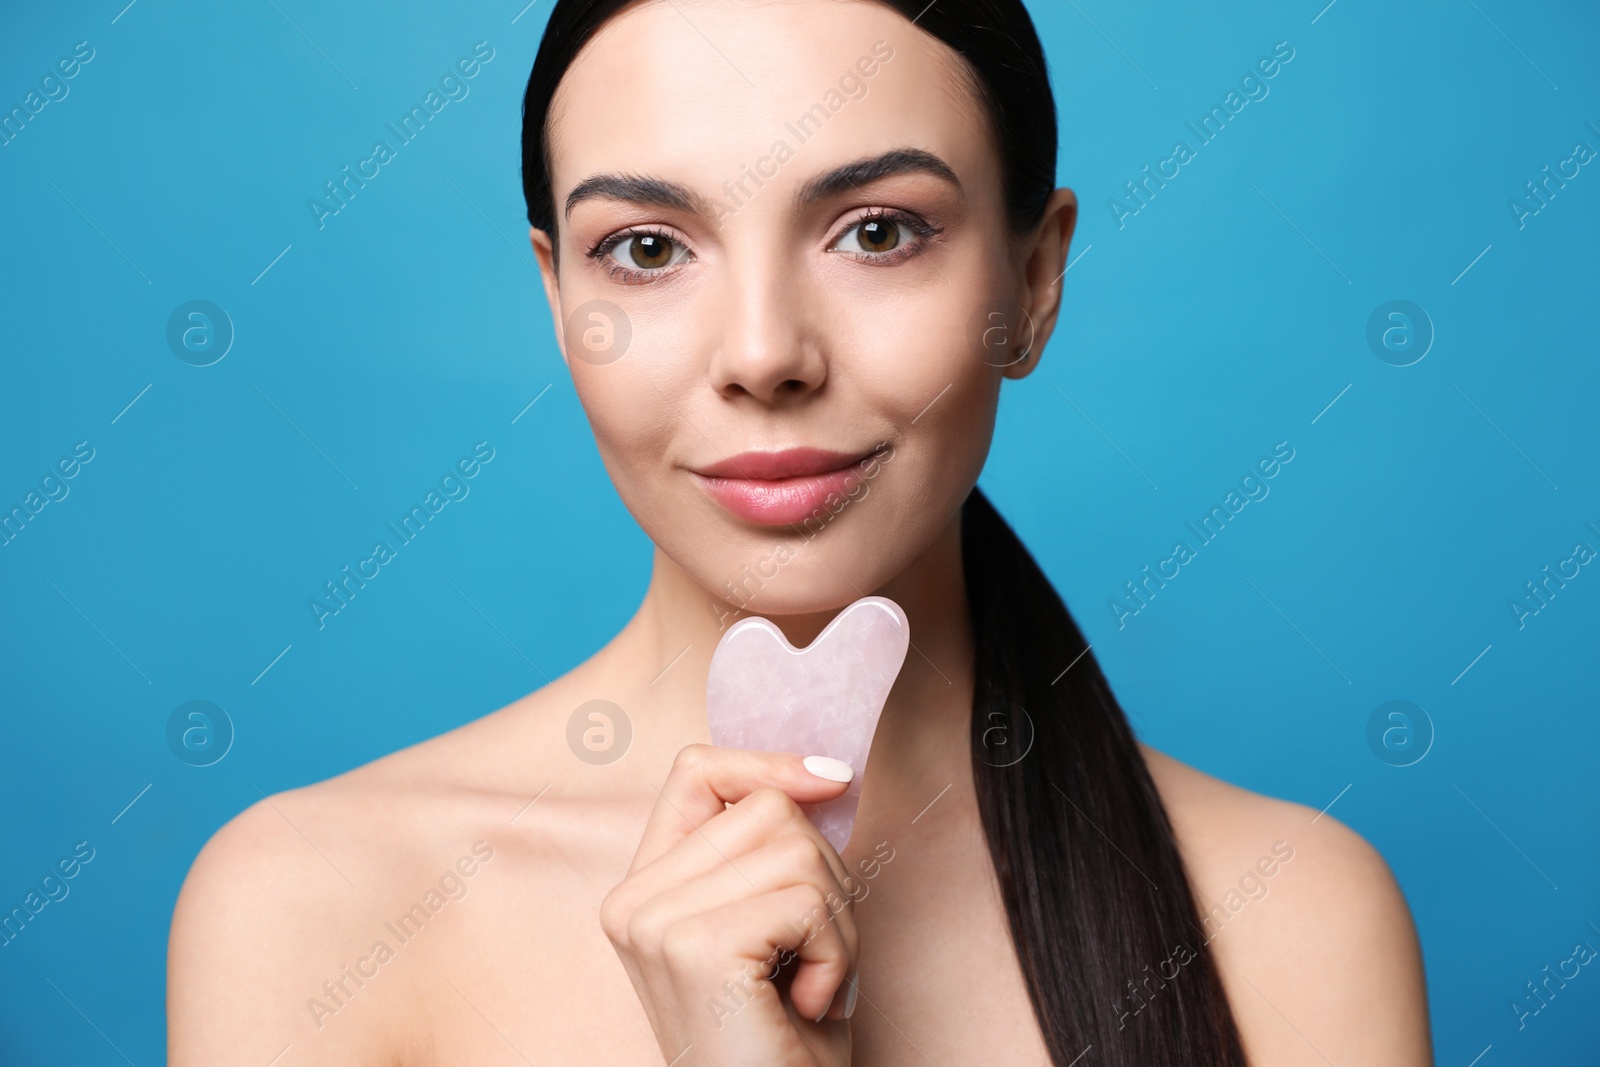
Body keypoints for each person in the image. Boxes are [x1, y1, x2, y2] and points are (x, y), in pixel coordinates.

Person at [168, 0, 1433, 1062]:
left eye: (876, 231)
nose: (765, 353)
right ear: (559, 302)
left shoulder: (1291, 919)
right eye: (649, 248)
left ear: (1033, 284)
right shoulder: (311, 914)